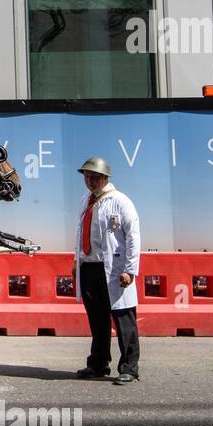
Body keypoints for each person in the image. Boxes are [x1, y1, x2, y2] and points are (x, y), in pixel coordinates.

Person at [72, 156, 141, 384]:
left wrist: (130, 270)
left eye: (94, 177)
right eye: (86, 177)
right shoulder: (86, 200)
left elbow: (133, 237)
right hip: (90, 267)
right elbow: (82, 236)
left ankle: (129, 367)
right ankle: (99, 363)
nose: (89, 181)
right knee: (97, 318)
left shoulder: (120, 201)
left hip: (114, 269)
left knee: (123, 318)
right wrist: (78, 263)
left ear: (105, 177)